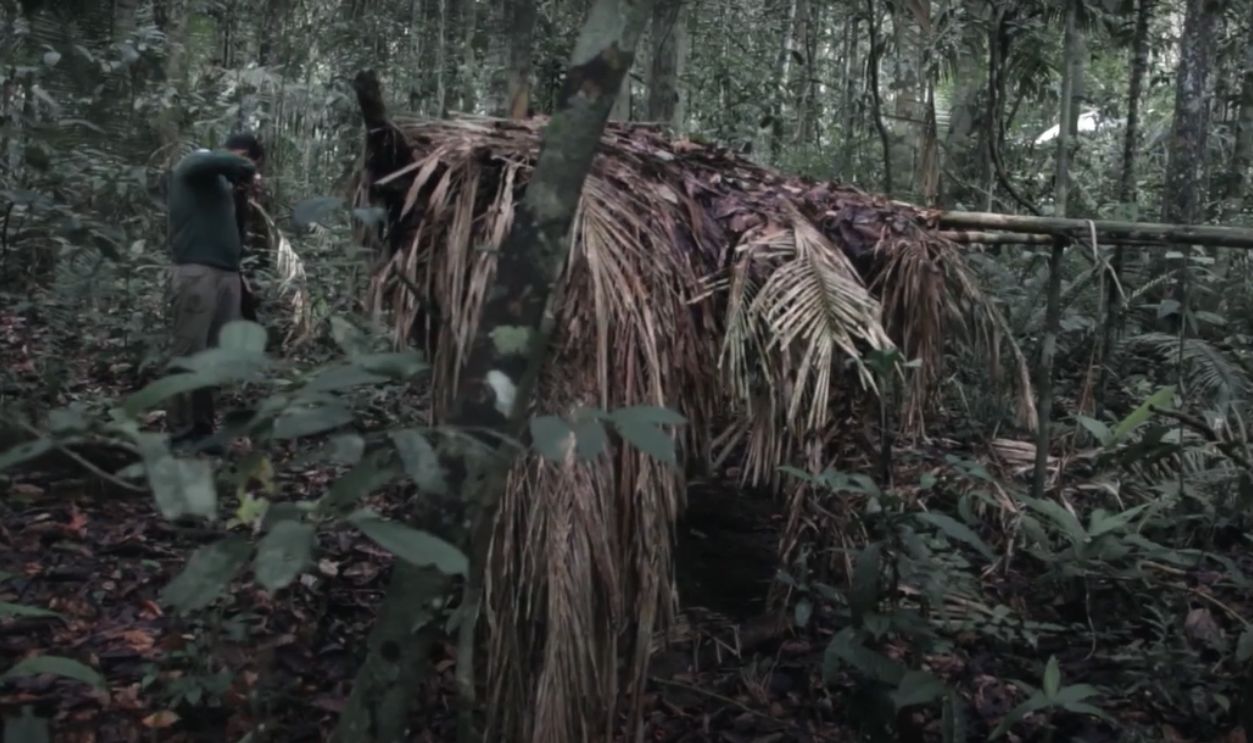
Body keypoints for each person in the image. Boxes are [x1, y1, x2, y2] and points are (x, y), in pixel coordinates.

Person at [164, 132, 264, 451]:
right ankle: (180, 432)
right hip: (198, 272)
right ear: (240, 154)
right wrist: (246, 168)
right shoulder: (196, 162)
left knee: (212, 356)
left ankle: (203, 430)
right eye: (249, 161)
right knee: (188, 350)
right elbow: (218, 161)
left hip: (226, 274)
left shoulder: (222, 186)